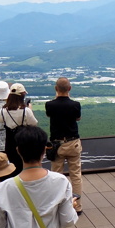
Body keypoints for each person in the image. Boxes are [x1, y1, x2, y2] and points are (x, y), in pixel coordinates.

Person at [45, 77, 83, 213]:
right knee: (76, 175)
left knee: (56, 176)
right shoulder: (75, 105)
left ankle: (58, 206)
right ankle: (77, 205)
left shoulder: (50, 105)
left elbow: (50, 115)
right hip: (73, 142)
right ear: (70, 89)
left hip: (57, 145)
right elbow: (77, 118)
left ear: (56, 89)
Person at [0, 83, 38, 175]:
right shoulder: (25, 110)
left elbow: (0, 121)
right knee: (24, 166)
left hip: (9, 143)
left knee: (13, 166)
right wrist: (30, 109)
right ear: (22, 95)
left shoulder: (3, 110)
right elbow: (34, 123)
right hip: (23, 142)